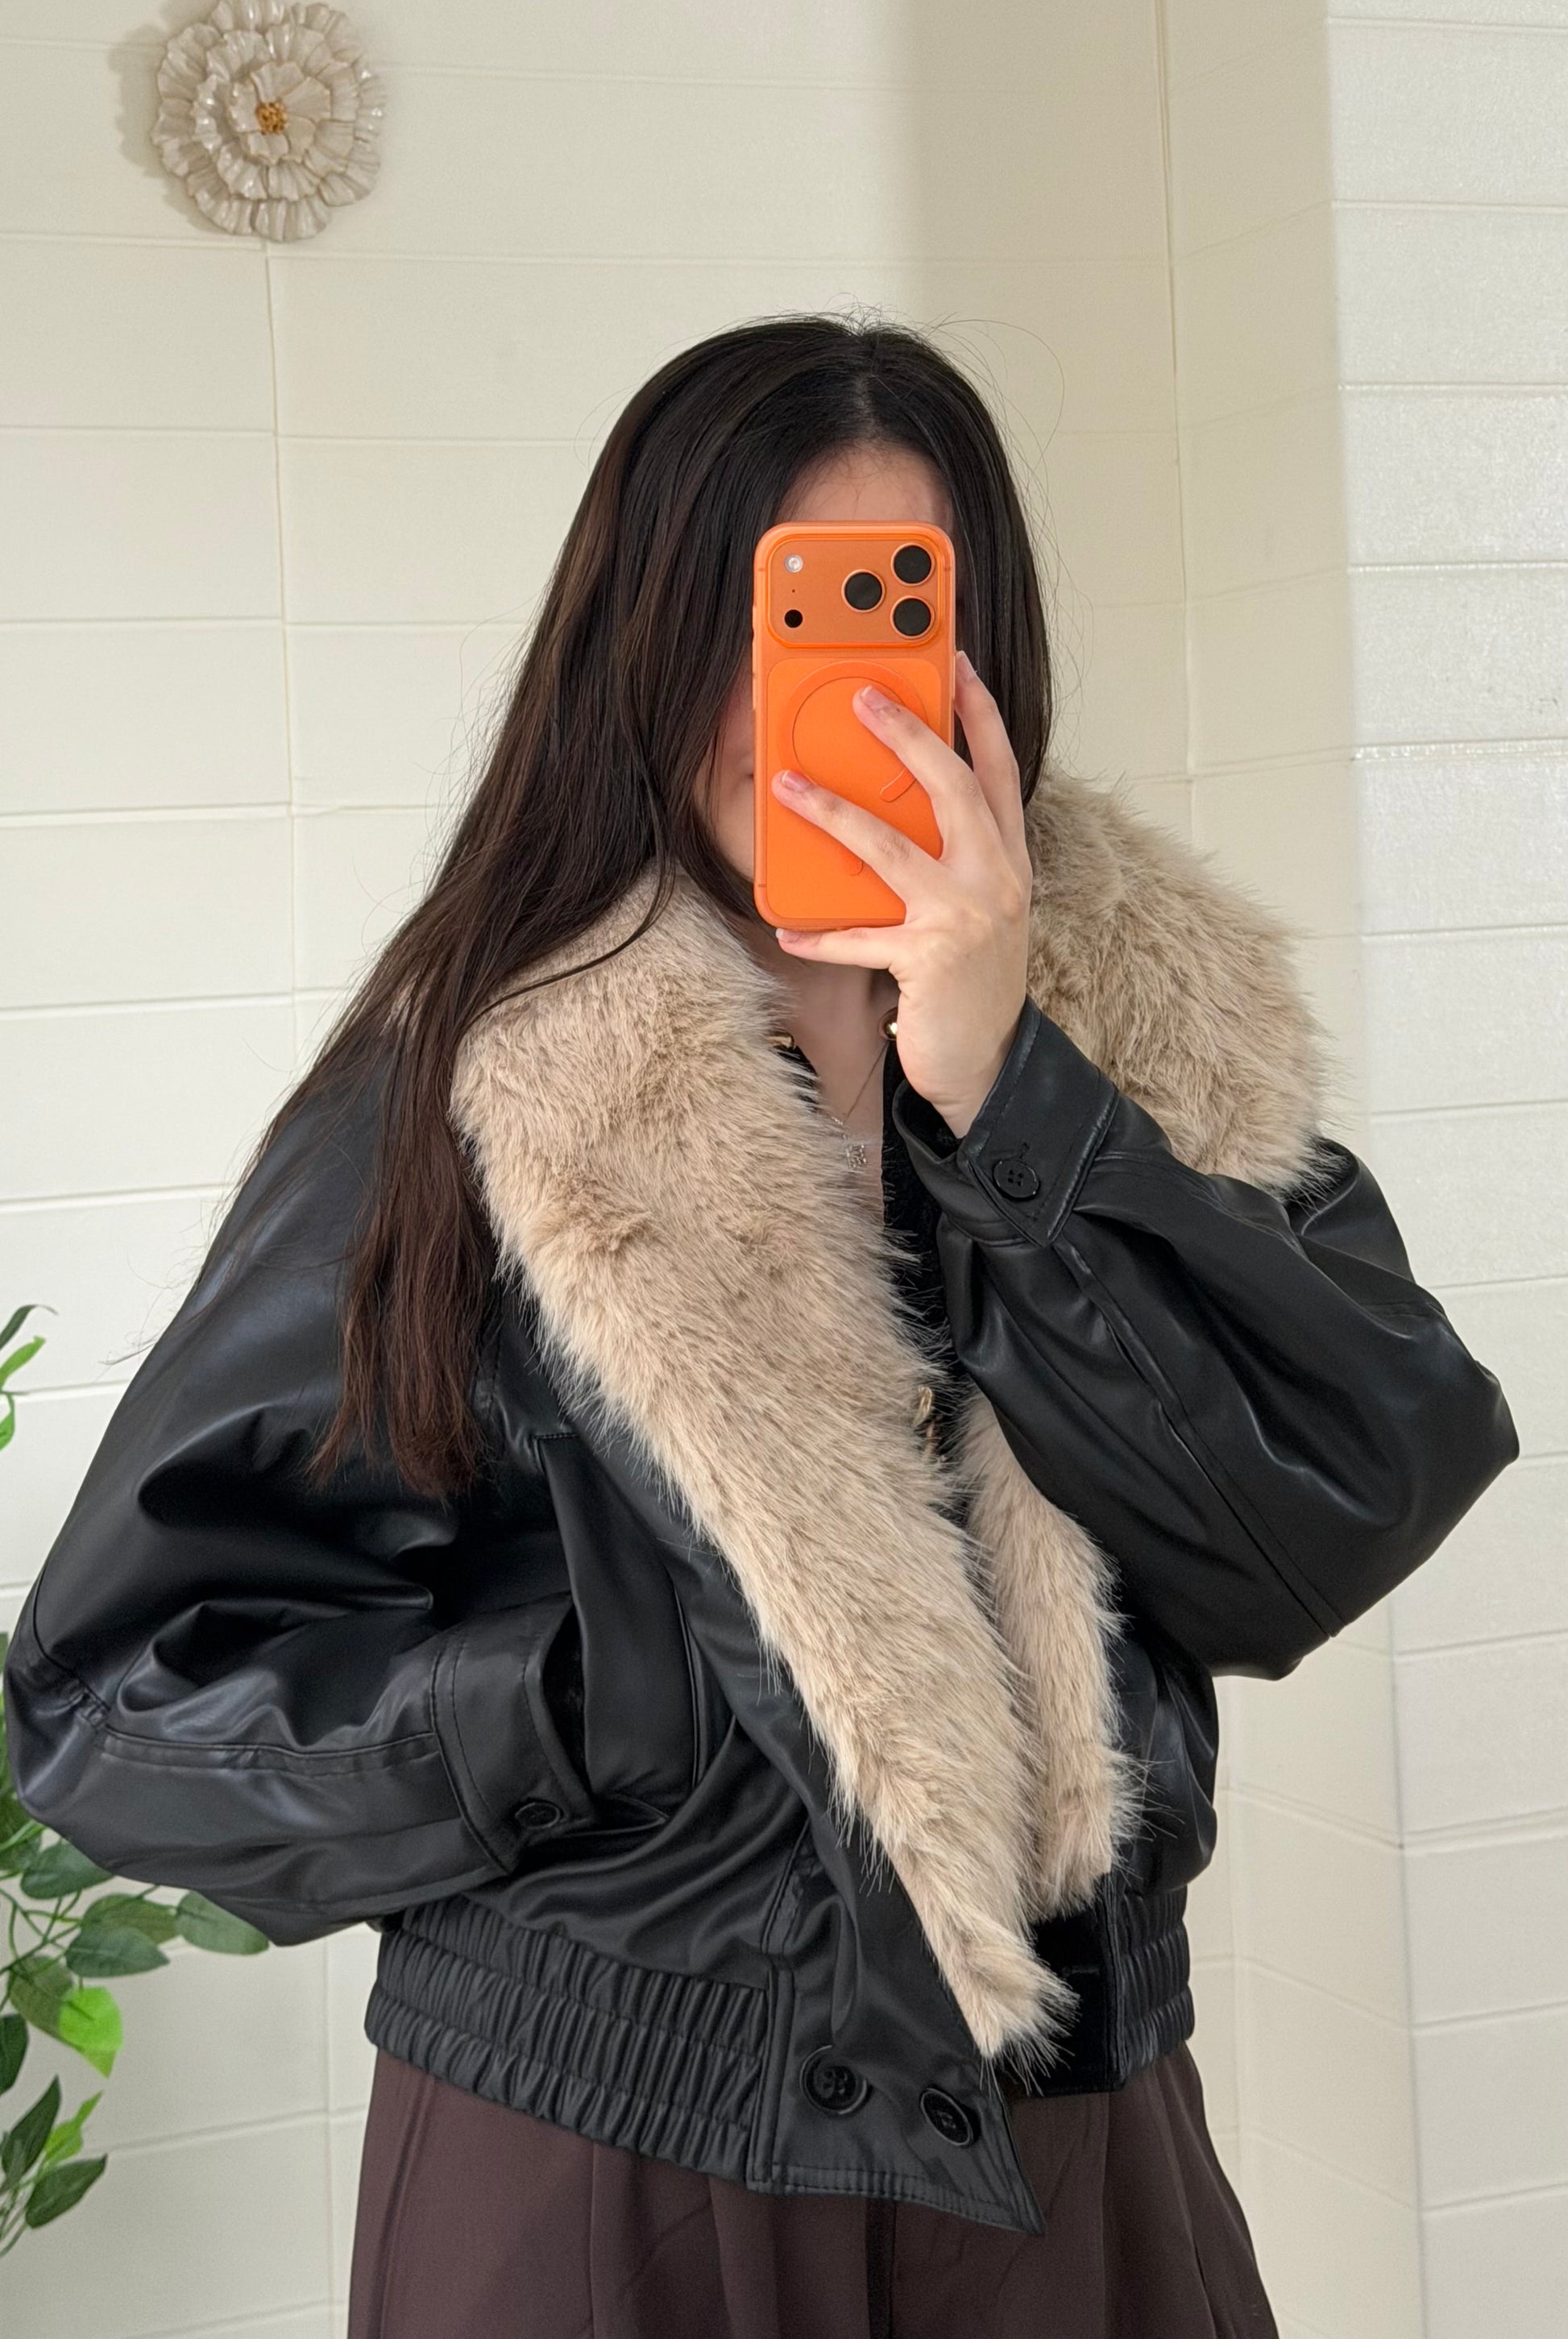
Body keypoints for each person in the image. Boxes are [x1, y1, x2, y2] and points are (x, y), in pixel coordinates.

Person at [3, 316, 1517, 2339]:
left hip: (1075, 2145)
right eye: (769, 617)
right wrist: (586, 1694)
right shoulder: (477, 1092)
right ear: (635, 641)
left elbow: (1326, 1513)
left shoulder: (1157, 1053)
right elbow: (112, 1699)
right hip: (607, 2162)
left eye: (894, 617)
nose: (818, 704)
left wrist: (1014, 1097)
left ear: (984, 656)